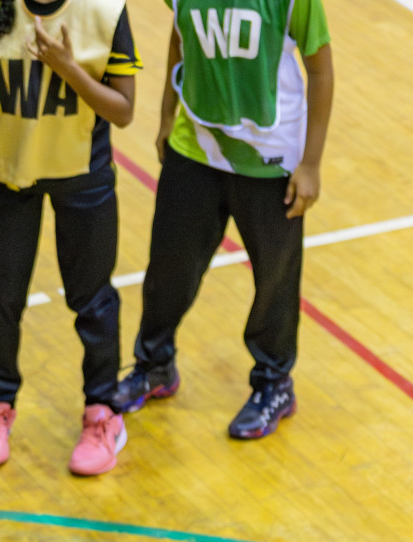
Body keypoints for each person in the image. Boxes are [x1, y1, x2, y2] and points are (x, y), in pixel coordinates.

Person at [0, 0, 142, 476]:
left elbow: (125, 111)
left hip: (84, 177)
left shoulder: (105, 13)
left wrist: (69, 69)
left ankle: (102, 412)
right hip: (9, 175)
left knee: (93, 301)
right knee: (0, 299)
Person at [116, 0, 334, 438]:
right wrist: (165, 116)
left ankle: (274, 382)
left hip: (271, 162)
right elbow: (180, 39)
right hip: (194, 149)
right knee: (168, 270)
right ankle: (154, 365)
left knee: (275, 280)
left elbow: (321, 71)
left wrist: (310, 163)